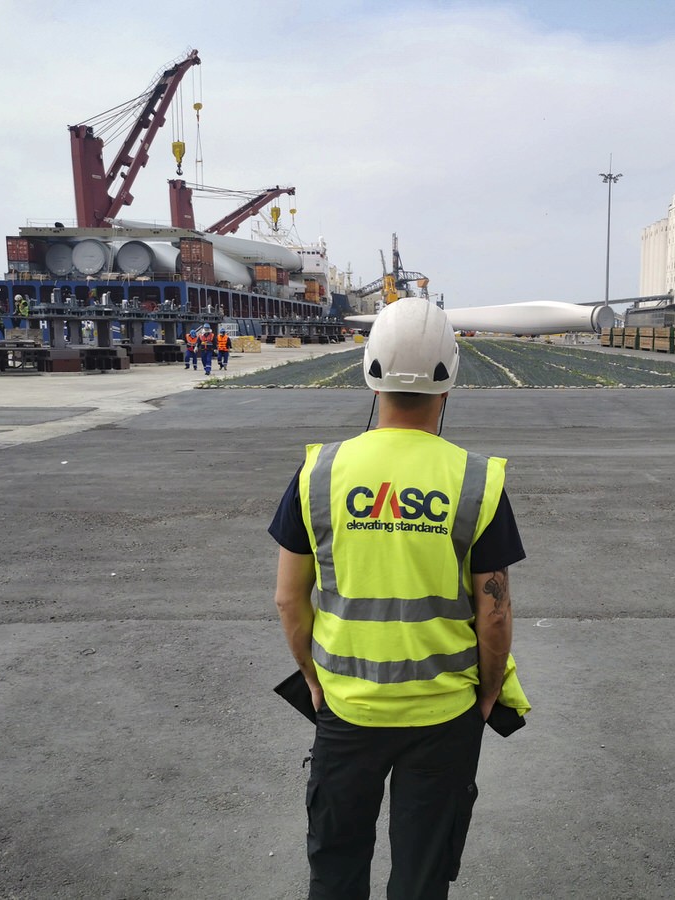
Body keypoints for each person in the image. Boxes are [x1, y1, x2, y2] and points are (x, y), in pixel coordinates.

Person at [269, 298, 529, 899]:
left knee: (336, 863)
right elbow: (494, 615)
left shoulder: (320, 473)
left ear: (370, 373)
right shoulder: (475, 480)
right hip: (443, 713)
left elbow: (288, 599)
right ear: (450, 378)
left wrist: (313, 678)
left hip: (348, 707)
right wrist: (489, 692)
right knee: (422, 873)